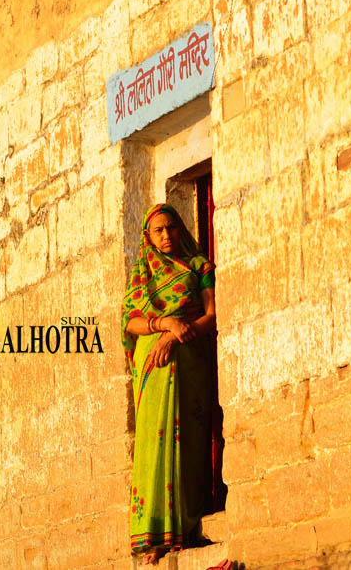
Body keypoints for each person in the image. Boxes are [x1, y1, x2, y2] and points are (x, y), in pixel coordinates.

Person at [121, 203, 217, 565]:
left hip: (189, 360)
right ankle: (154, 535)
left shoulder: (199, 267)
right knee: (152, 443)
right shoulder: (142, 273)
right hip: (152, 368)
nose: (166, 236)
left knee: (187, 438)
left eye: (171, 228)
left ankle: (185, 527)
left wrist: (178, 335)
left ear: (180, 228)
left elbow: (212, 313)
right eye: (158, 230)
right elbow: (130, 320)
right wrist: (165, 326)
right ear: (148, 236)